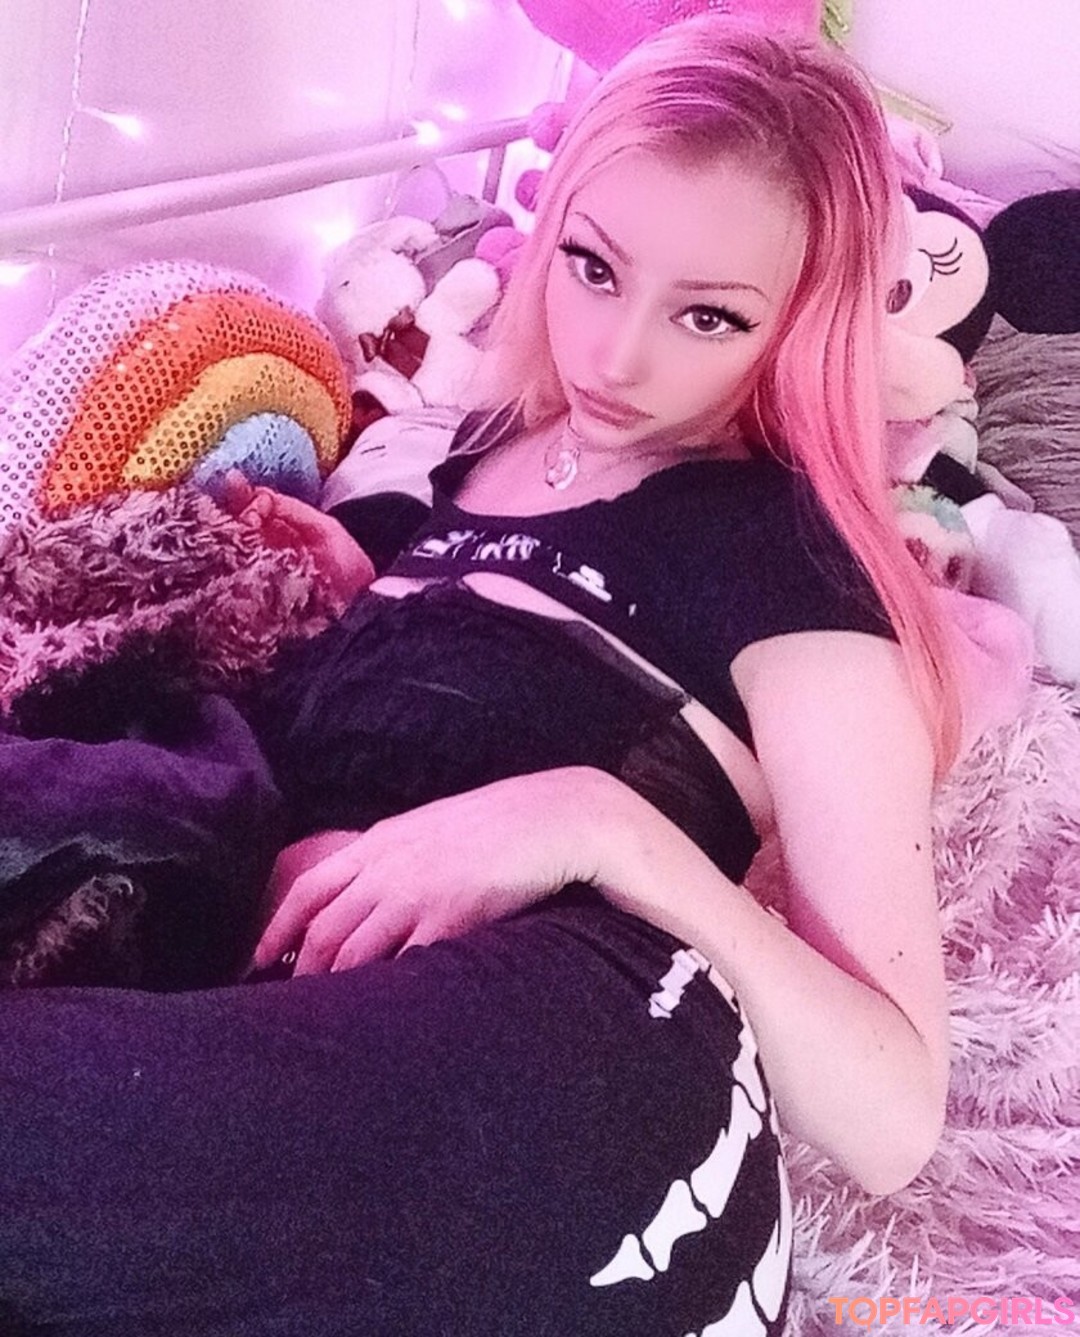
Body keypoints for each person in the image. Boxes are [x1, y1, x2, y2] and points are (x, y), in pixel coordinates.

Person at [0, 15, 962, 1336]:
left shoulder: (793, 565)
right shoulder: (489, 449)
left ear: (802, 323)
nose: (615, 358)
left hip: (551, 1037)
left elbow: (896, 1114)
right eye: (592, 266)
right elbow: (468, 685)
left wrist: (596, 822)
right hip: (270, 1036)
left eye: (709, 314)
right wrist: (375, 607)